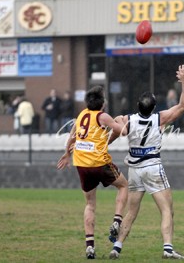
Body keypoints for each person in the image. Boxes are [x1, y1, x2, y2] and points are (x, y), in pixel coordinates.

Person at [107, 65, 184, 260]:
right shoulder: (160, 118)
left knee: (132, 211)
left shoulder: (127, 119)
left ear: (137, 105)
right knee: (167, 210)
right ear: (154, 107)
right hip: (153, 168)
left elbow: (118, 130)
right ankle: (168, 249)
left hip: (134, 170)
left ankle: (116, 247)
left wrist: (108, 139)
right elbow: (183, 106)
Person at [56, 85, 128, 259]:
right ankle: (117, 221)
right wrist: (120, 121)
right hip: (99, 163)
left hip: (81, 164)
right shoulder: (103, 116)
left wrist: (66, 153)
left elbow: (72, 135)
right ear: (102, 103)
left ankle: (89, 246)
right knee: (124, 186)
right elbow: (123, 132)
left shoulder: (81, 115)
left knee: (90, 204)